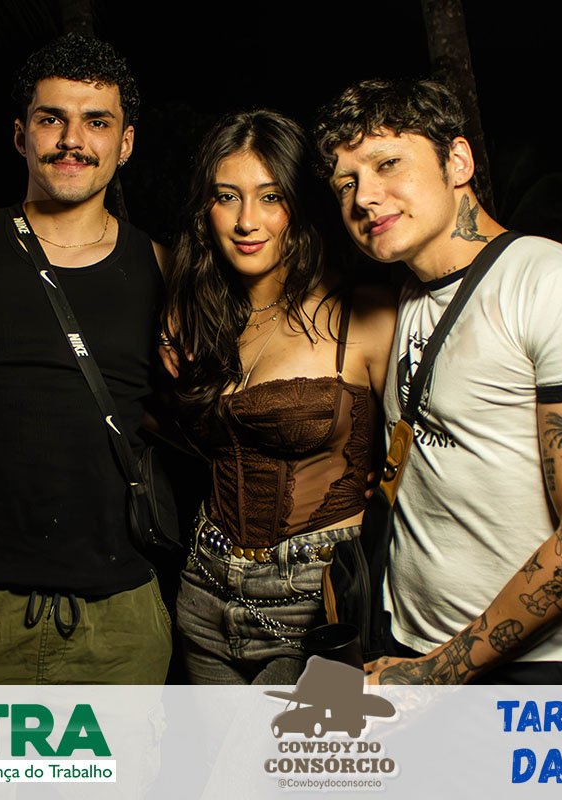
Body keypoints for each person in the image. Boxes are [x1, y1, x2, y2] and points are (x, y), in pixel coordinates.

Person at [312, 78, 562, 684]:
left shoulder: (556, 287)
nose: (365, 197)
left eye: (388, 163)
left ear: (458, 161)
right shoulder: (408, 293)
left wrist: (438, 673)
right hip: (409, 641)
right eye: (346, 184)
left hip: (543, 668)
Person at [0, 33, 173, 684]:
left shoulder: (162, 269)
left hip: (117, 616)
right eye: (52, 119)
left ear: (125, 143)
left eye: (96, 122)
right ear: (21, 136)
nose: (72, 140)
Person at [163, 110, 395, 684]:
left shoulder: (365, 316)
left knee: (293, 747)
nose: (247, 221)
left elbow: (431, 455)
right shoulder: (203, 316)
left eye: (271, 197)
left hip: (316, 605)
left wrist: (389, 483)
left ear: (301, 204)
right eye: (227, 197)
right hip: (202, 592)